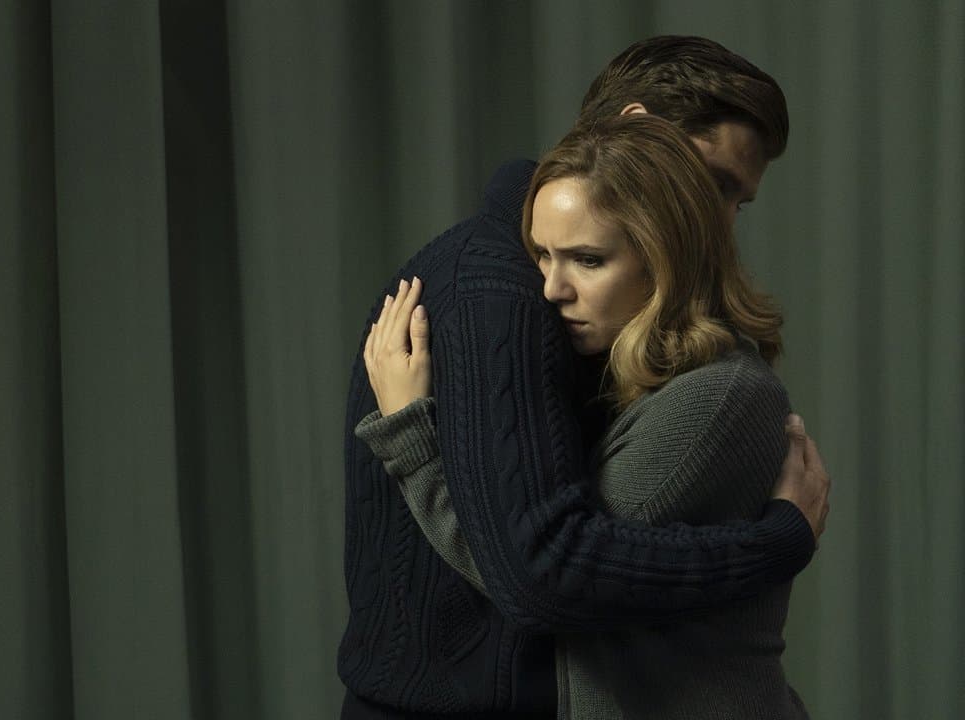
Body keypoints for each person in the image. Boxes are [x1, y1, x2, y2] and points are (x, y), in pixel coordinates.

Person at [337, 36, 829, 718]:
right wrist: (776, 543)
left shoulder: (702, 378)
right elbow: (542, 573)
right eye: (715, 183)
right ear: (635, 133)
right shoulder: (507, 299)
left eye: (735, 201)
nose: (720, 221)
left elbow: (550, 568)